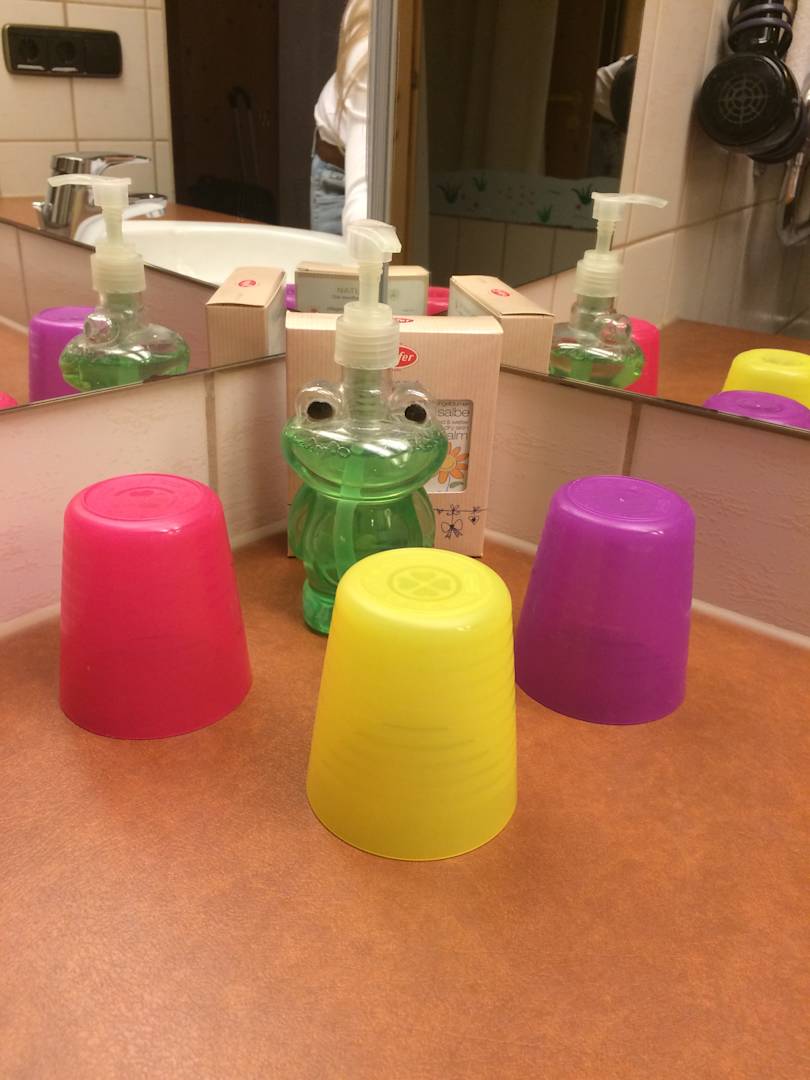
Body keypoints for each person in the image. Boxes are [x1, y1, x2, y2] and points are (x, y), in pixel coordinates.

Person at [311, 0, 370, 235]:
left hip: (378, 170)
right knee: (344, 254)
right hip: (339, 169)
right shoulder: (372, 37)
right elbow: (362, 192)